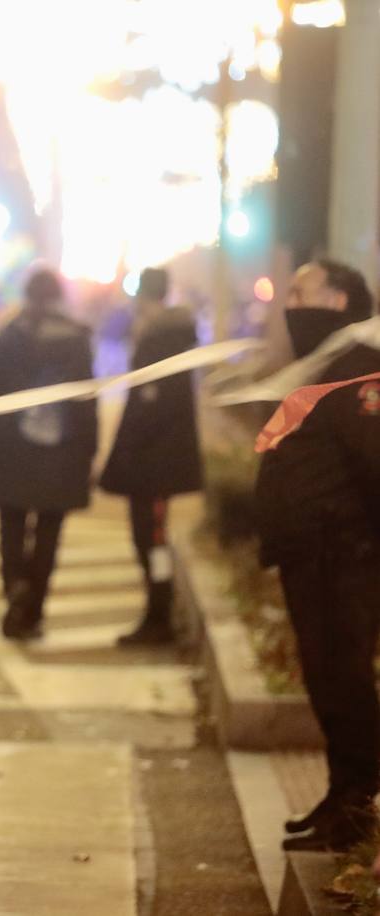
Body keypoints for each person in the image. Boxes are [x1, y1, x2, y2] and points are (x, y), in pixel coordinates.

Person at [256, 258, 380, 852]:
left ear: (337, 300)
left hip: (343, 554)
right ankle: (340, 795)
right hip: (312, 552)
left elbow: (373, 464)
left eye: (302, 292)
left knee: (345, 679)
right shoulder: (325, 361)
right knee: (325, 680)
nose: (290, 303)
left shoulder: (361, 366)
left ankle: (355, 807)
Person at [0, 269, 97, 640]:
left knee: (10, 526)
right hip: (61, 453)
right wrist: (89, 451)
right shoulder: (76, 339)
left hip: (9, 448)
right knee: (48, 531)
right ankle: (35, 608)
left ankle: (15, 591)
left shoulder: (9, 335)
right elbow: (85, 403)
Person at [100, 267, 202, 646]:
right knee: (148, 539)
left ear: (143, 296)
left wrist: (127, 454)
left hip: (155, 464)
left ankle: (159, 614)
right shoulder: (165, 335)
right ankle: (156, 610)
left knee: (153, 539)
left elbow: (152, 406)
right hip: (152, 462)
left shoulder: (162, 340)